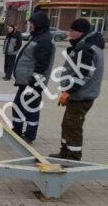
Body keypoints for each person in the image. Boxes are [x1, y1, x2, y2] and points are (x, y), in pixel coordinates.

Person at [50, 19, 105, 161]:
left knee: (73, 127)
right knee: (67, 125)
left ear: (81, 32)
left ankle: (73, 159)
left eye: (72, 31)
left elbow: (84, 74)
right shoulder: (85, 45)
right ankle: (64, 153)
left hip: (81, 96)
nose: (69, 33)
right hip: (78, 95)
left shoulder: (87, 48)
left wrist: (68, 91)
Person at [12, 11, 55, 144]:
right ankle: (17, 131)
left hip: (32, 83)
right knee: (18, 106)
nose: (31, 26)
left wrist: (33, 84)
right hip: (26, 81)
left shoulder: (44, 40)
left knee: (30, 109)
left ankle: (29, 136)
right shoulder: (38, 37)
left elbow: (42, 66)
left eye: (32, 24)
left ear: (39, 24)